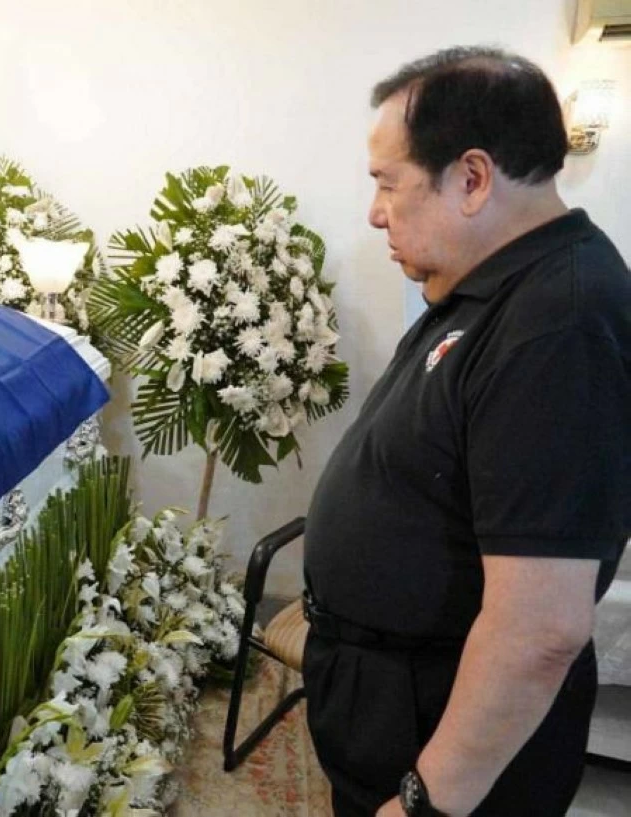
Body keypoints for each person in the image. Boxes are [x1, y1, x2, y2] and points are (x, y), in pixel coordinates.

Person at [301, 46, 630, 817]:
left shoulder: (561, 323)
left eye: (388, 183)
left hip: (445, 737)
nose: (375, 212)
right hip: (394, 700)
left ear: (473, 178)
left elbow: (539, 628)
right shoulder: (495, 282)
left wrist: (423, 802)